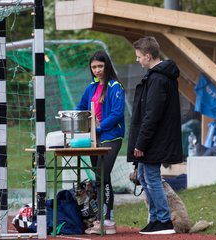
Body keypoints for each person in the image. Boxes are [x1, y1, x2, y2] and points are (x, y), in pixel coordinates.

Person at [127, 36, 183, 235]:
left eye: (139, 57)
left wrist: (141, 143)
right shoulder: (156, 76)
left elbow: (152, 114)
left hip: (155, 140)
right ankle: (155, 219)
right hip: (154, 139)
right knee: (143, 175)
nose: (137, 60)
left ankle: (163, 220)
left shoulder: (158, 79)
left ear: (148, 56)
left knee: (151, 177)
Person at [76, 50, 125, 235]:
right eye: (94, 66)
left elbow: (117, 113)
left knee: (102, 176)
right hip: (94, 139)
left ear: (107, 66)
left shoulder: (115, 86)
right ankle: (105, 220)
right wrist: (75, 118)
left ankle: (106, 220)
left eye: (100, 66)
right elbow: (81, 107)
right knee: (100, 179)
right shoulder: (91, 87)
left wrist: (99, 128)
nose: (97, 70)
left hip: (111, 137)